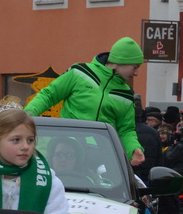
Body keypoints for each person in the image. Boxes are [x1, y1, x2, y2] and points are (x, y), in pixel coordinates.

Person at [26, 36, 145, 164]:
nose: (137, 73)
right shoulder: (79, 72)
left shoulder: (126, 94)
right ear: (121, 61)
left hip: (101, 155)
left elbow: (126, 130)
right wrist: (28, 115)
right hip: (67, 149)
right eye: (135, 67)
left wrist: (133, 149)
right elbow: (49, 95)